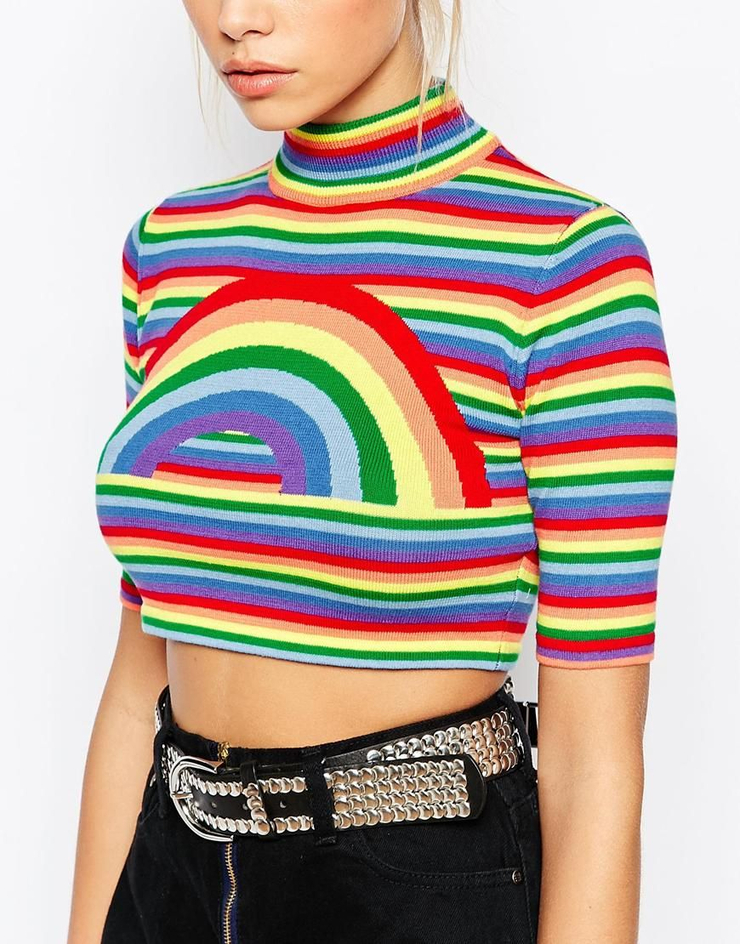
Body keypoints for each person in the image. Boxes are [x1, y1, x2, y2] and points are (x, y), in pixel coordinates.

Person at [67, 2, 677, 942]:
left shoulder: (565, 263)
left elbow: (594, 756)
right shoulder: (168, 251)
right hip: (168, 870)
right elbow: (137, 675)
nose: (237, 19)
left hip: (413, 889)